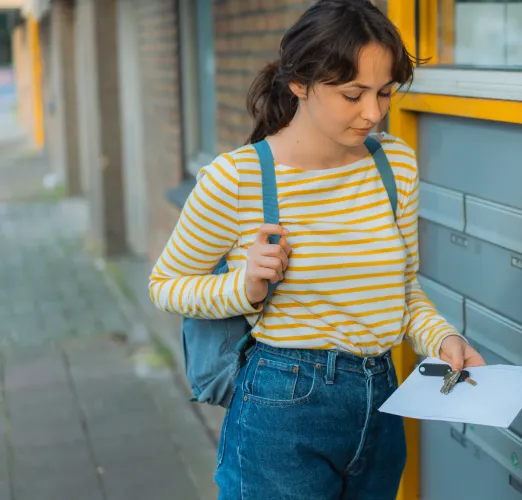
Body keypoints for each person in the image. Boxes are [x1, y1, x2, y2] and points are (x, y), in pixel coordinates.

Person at [148, 0, 484, 498]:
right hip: (283, 409)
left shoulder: (394, 165)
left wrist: (442, 339)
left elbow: (403, 289)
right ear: (300, 84)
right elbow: (165, 287)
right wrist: (245, 288)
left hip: (380, 398)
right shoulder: (236, 179)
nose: (373, 112)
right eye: (353, 94)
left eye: (384, 92)